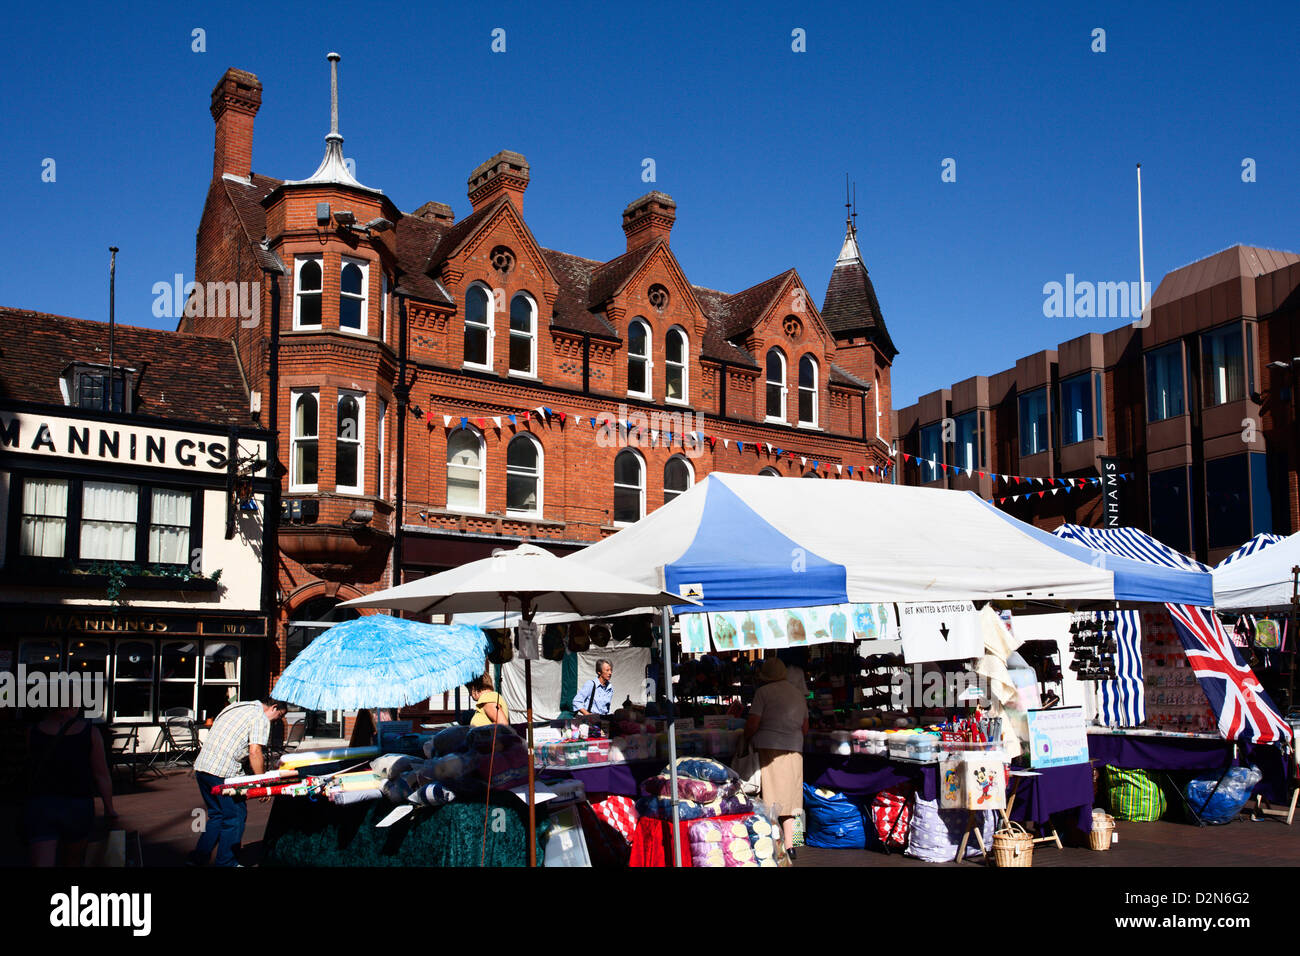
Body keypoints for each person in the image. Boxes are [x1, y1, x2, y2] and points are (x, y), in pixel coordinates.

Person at [188, 698, 288, 867]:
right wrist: (263, 783)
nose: (276, 721)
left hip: (203, 766)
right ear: (274, 707)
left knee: (217, 815)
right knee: (235, 816)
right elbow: (255, 751)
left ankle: (198, 858)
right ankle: (227, 862)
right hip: (223, 771)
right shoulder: (260, 717)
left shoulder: (237, 706)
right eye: (278, 716)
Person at [24, 706, 116, 867]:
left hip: (42, 803)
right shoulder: (91, 732)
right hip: (77, 803)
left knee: (42, 861)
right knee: (73, 860)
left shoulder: (32, 731)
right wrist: (109, 808)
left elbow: (29, 768)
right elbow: (101, 775)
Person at [744, 657, 808, 858]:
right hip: (795, 748)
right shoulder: (798, 693)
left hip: (770, 747)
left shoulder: (763, 692)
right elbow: (805, 727)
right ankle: (792, 844)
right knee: (791, 798)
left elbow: (753, 723)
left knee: (770, 798)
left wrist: (745, 738)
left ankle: (772, 844)